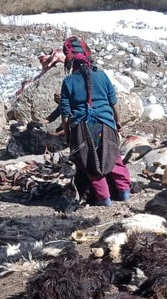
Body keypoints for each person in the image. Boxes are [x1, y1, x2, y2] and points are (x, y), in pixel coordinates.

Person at [59, 36, 131, 207]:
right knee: (113, 159)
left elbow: (66, 114)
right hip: (106, 124)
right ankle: (124, 193)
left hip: (82, 128)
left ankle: (105, 199)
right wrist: (117, 122)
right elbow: (114, 102)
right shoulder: (102, 75)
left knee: (91, 164)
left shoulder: (68, 81)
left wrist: (68, 136)